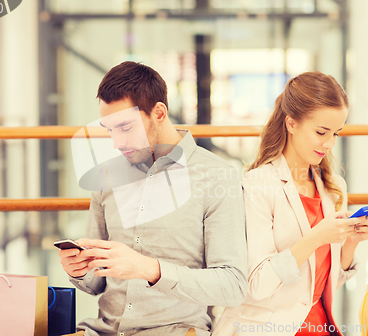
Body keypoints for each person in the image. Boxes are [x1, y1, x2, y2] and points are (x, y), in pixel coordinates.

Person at [58, 61, 248, 336]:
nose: (116, 142)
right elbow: (95, 283)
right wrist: (79, 270)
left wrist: (149, 269)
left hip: (174, 331)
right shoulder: (107, 175)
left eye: (125, 127)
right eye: (110, 130)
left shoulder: (217, 177)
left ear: (158, 113)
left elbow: (232, 286)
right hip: (102, 330)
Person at [212, 72, 368, 336]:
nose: (329, 143)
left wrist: (351, 240)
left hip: (320, 326)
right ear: (291, 123)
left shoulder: (333, 187)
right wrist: (315, 238)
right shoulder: (258, 185)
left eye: (336, 133)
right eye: (321, 132)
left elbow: (324, 284)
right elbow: (257, 284)